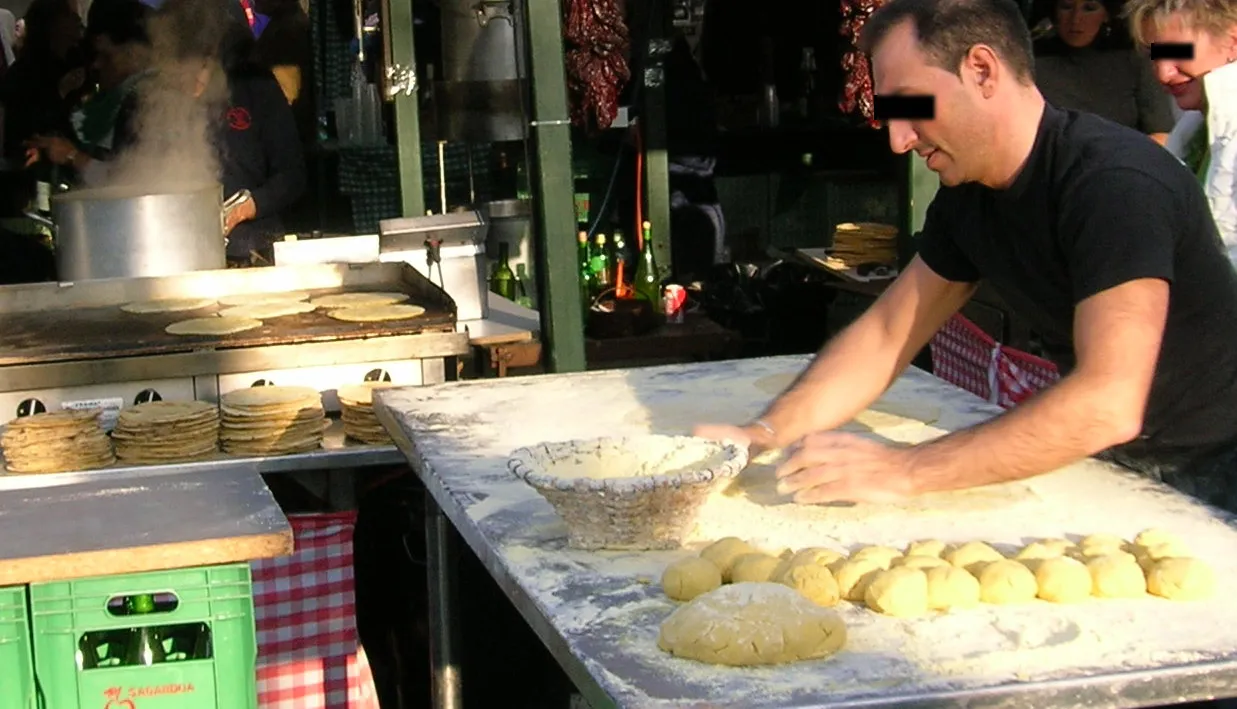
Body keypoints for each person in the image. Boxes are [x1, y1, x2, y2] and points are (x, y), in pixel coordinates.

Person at [694, 0, 1237, 517]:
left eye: (912, 107)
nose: (899, 141)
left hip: (1214, 467)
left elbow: (1108, 402)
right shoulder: (969, 196)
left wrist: (903, 470)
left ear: (981, 70)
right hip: (1119, 465)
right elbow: (887, 335)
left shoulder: (1113, 183)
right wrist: (762, 434)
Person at [1125, 0, 1237, 264]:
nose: (1163, 73)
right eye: (1155, 55)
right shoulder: (1195, 128)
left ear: (1232, 43)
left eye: (1178, 52)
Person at [1032, 0, 1174, 142]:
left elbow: (1161, 132)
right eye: (1066, 7)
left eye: (1089, 8)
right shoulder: (1031, 59)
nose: (1075, 19)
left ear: (1106, 14)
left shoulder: (1135, 55)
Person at [0, 0, 83, 161]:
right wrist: (60, 93)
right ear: (53, 24)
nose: (78, 21)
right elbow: (25, 128)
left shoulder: (78, 62)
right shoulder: (24, 72)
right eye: (71, 16)